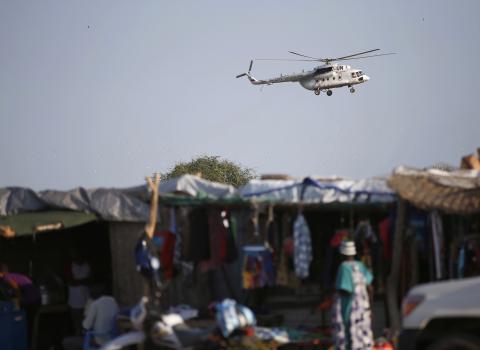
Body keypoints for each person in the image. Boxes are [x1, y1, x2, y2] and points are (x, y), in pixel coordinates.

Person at [331, 240, 374, 350]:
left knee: (348, 334)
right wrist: (370, 307)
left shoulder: (344, 267)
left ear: (342, 254)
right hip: (363, 308)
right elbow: (370, 287)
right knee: (362, 335)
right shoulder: (360, 265)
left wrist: (335, 293)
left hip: (349, 307)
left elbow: (346, 289)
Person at [62, 284, 119, 350]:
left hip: (99, 342)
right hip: (112, 340)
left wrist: (84, 318)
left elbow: (85, 327)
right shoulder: (113, 301)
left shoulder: (95, 304)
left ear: (93, 294)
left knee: (67, 342)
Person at [65, 249, 91, 336]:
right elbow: (70, 281)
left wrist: (78, 281)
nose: (79, 258)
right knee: (77, 327)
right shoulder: (70, 266)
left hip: (87, 300)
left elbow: (90, 280)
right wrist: (83, 281)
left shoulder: (87, 265)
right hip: (74, 302)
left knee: (86, 327)